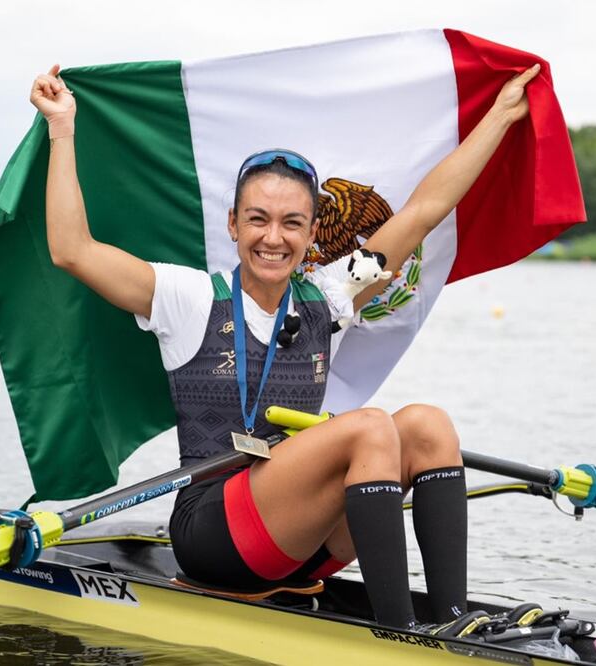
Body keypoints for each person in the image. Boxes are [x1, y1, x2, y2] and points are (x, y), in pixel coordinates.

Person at [30, 61, 541, 631]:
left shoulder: (329, 295)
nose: (273, 238)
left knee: (427, 425)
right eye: (258, 220)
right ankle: (399, 635)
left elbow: (423, 210)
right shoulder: (187, 297)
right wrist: (62, 128)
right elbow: (71, 249)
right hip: (213, 531)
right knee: (370, 426)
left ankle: (454, 619)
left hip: (298, 543)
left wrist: (500, 116)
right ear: (232, 225)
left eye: (292, 223)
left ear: (312, 232)